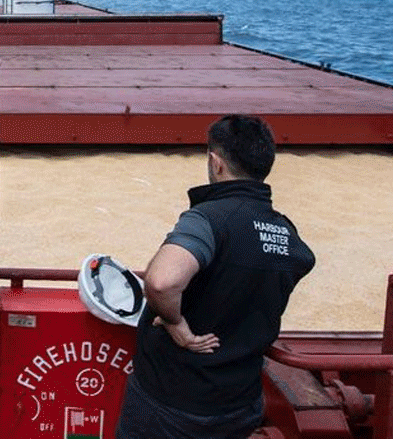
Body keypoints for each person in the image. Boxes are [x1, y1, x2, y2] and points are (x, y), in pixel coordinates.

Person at [116, 114, 315, 439]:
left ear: (215, 162)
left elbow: (162, 281)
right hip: (240, 405)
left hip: (172, 404)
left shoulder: (208, 219)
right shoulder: (285, 232)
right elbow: (301, 262)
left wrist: (175, 323)